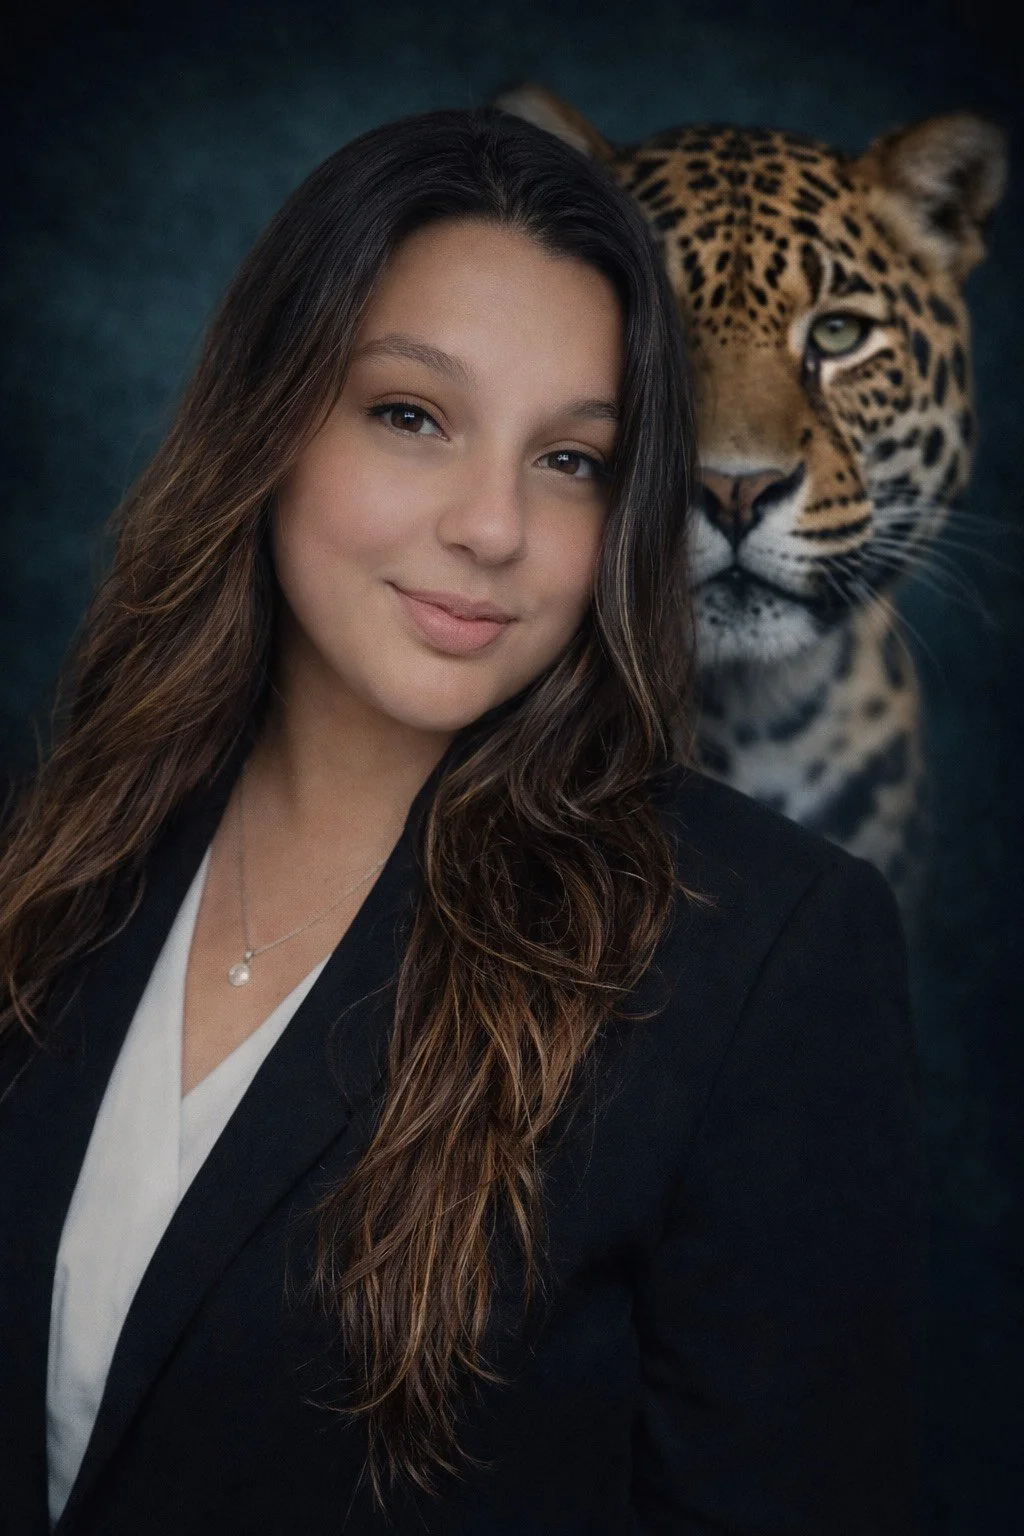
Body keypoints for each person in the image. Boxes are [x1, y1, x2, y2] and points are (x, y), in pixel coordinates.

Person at [0, 106, 926, 1535]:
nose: (492, 527)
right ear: (270, 413)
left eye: (574, 459)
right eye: (412, 416)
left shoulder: (766, 955)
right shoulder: (63, 844)